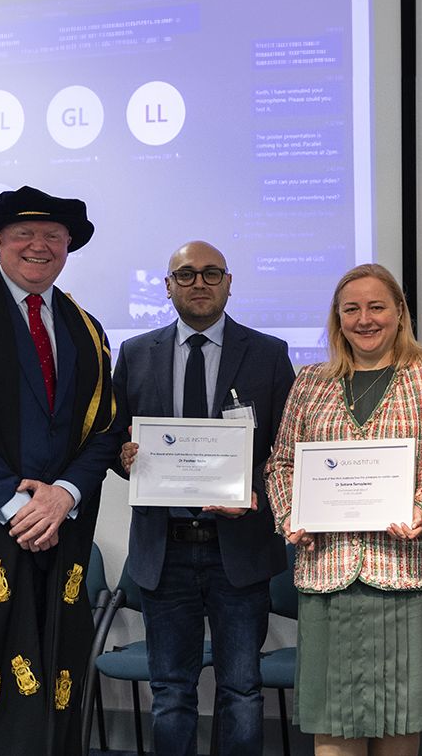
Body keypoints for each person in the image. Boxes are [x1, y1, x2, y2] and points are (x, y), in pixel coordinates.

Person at [265, 263, 422, 756]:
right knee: (334, 729)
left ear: (400, 313)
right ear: (337, 319)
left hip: (407, 572)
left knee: (401, 723)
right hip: (329, 575)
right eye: (351, 309)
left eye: (377, 306)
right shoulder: (310, 382)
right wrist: (290, 514)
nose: (364, 319)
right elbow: (281, 464)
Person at [113, 240, 295, 756]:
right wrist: (122, 456)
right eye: (186, 275)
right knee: (171, 693)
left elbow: (287, 448)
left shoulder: (267, 353)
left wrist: (255, 496)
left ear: (229, 282)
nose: (199, 283)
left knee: (242, 691)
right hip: (163, 549)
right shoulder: (135, 353)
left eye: (211, 273)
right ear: (167, 286)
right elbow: (111, 437)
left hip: (237, 549)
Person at [0, 186, 117, 756]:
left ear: (67, 248)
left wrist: (63, 494)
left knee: (59, 668)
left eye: (53, 237)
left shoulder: (86, 327)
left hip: (63, 532)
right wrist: (16, 506)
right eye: (23, 235)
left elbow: (107, 427)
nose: (39, 246)